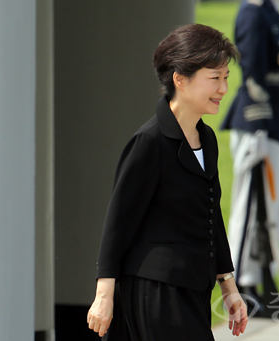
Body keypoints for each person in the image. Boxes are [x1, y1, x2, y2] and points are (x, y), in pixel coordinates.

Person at [87, 24, 247, 340]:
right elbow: (119, 221)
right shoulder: (150, 142)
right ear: (180, 79)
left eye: (226, 78)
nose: (223, 89)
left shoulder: (207, 138)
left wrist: (228, 286)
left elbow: (211, 216)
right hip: (157, 289)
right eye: (214, 79)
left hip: (194, 289)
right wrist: (104, 295)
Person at [221, 0, 279, 317]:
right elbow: (251, 72)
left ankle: (256, 278)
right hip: (261, 121)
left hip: (276, 118)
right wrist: (258, 127)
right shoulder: (254, 9)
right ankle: (242, 285)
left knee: (269, 207)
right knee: (251, 208)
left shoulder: (267, 6)